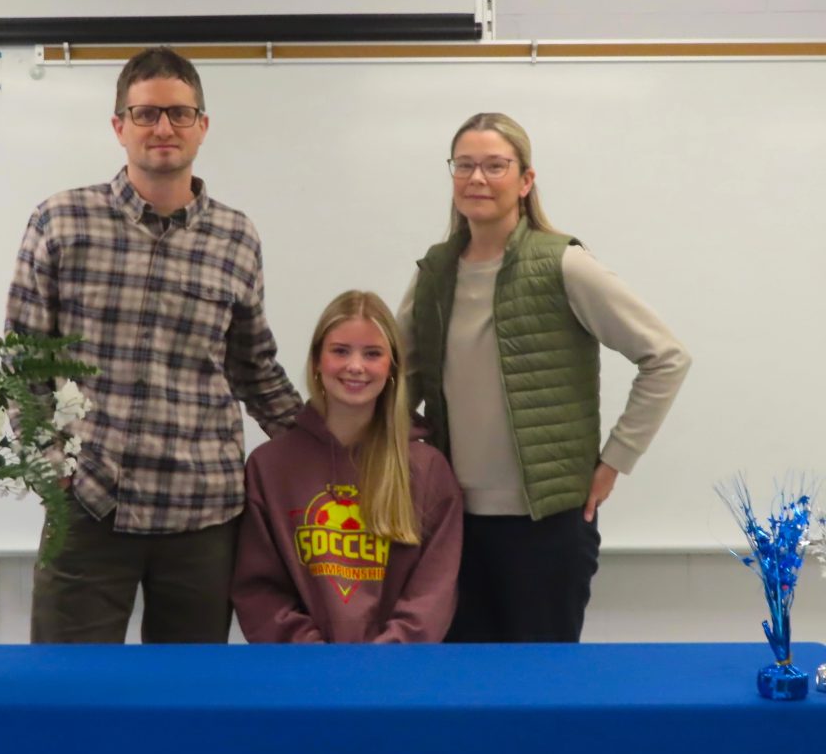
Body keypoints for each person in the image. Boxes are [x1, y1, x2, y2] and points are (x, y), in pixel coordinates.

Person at [6, 46, 302, 644]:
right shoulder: (61, 221)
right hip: (89, 506)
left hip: (203, 514)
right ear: (119, 126)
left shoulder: (236, 236)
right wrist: (53, 466)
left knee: (189, 706)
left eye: (179, 113)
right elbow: (23, 362)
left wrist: (335, 445)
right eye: (145, 114)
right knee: (71, 697)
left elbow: (254, 370)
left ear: (202, 127)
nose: (163, 128)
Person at [398, 112, 691, 643]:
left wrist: (614, 462)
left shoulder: (564, 264)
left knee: (542, 695)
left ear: (526, 180)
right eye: (464, 165)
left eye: (495, 165)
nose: (477, 178)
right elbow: (394, 382)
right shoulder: (434, 274)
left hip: (548, 528)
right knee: (467, 695)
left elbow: (666, 357)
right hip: (451, 525)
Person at [232, 290, 462, 643]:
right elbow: (260, 590)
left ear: (392, 367)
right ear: (316, 362)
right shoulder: (269, 467)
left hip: (397, 675)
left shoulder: (428, 468)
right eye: (340, 351)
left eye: (372, 354)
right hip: (302, 673)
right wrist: (311, 652)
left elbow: (433, 591)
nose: (355, 366)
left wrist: (387, 653)